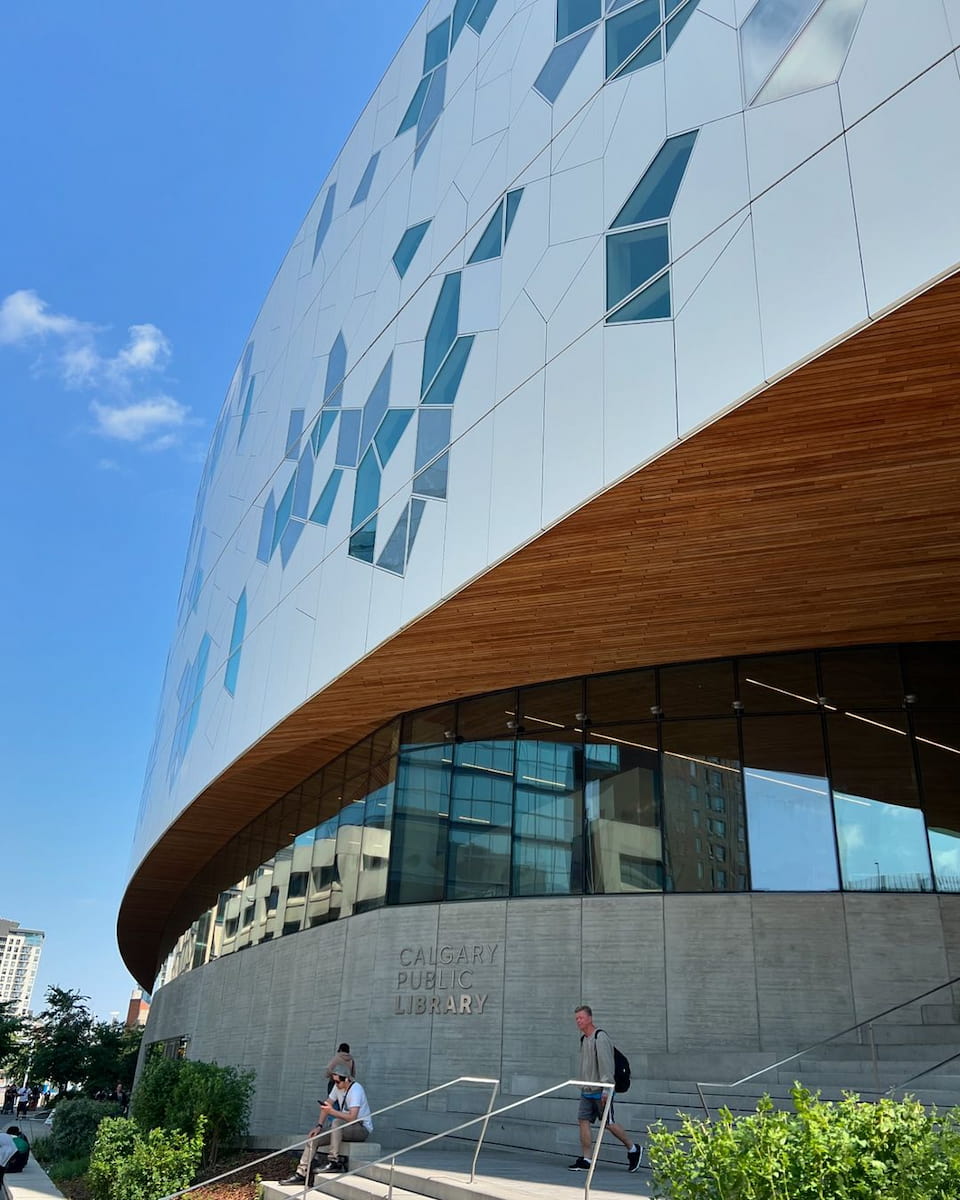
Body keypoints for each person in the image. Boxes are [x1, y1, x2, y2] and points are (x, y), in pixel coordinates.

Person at [568, 1005, 641, 1173]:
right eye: (577, 1018)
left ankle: (633, 1149)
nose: (578, 1021)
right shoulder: (584, 1039)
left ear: (590, 1018)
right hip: (587, 1090)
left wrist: (607, 1089)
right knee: (583, 1120)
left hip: (601, 1090)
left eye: (581, 1018)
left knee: (608, 1124)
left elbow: (607, 1065)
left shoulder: (600, 1038)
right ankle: (586, 1159)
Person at [281, 1062, 373, 1183]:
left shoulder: (356, 1089)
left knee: (336, 1122)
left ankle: (334, 1161)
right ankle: (301, 1174)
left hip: (360, 1128)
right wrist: (318, 1126)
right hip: (343, 1127)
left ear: (346, 1079)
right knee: (314, 1138)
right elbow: (327, 1105)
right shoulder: (337, 1087)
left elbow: (352, 1117)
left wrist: (332, 1112)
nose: (336, 1084)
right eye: (334, 1081)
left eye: (338, 1082)